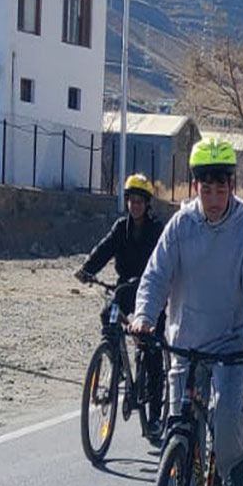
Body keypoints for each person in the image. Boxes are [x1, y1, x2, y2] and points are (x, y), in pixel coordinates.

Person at [131, 139, 243, 486]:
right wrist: (144, 317)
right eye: (206, 190)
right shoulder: (181, 226)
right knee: (178, 434)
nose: (213, 198)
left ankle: (236, 468)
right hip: (186, 345)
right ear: (195, 188)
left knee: (225, 417)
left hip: (231, 346)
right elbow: (156, 275)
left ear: (232, 187)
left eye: (220, 190)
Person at [78, 173, 167, 434]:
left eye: (140, 201)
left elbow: (165, 261)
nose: (135, 205)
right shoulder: (121, 227)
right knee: (109, 314)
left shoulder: (156, 230)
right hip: (126, 290)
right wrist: (87, 269)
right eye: (131, 200)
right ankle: (114, 357)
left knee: (152, 347)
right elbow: (104, 249)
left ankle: (154, 417)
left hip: (152, 292)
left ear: (147, 204)